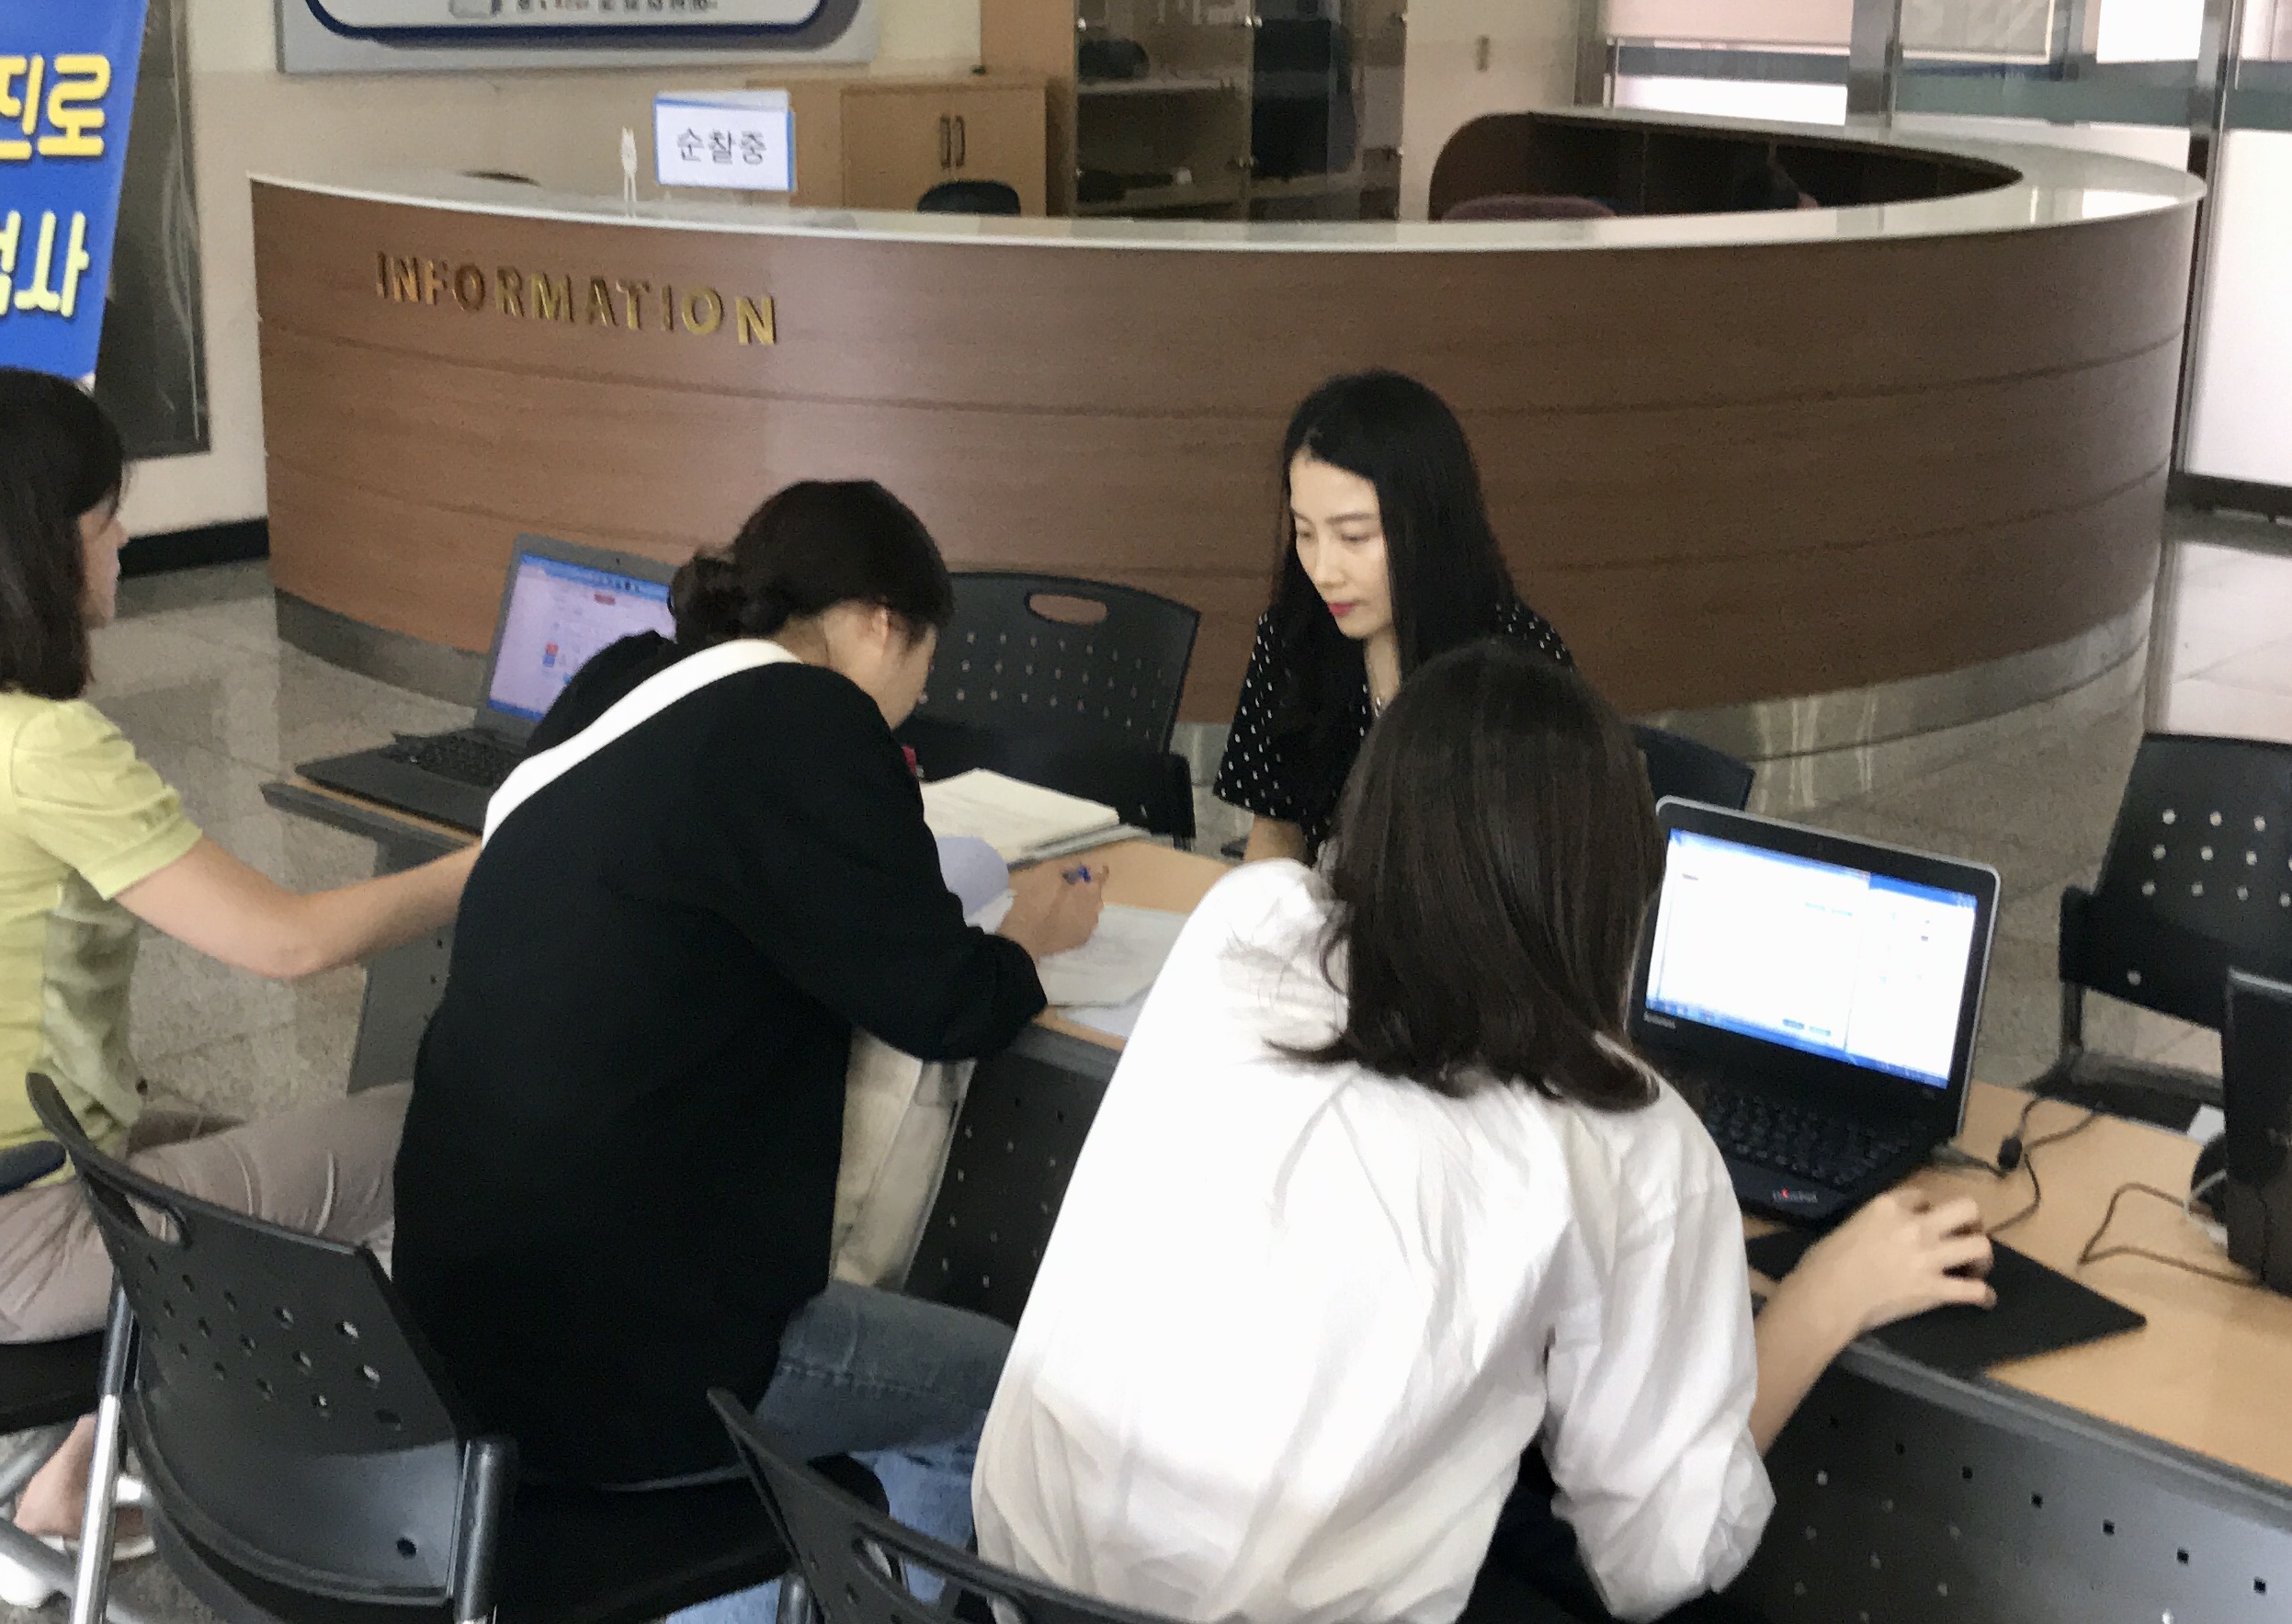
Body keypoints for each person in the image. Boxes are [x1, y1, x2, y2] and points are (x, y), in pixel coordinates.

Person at [974, 642, 1993, 1624]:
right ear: (1608, 892)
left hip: (1002, 1581)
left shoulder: (1248, 918)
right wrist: (1823, 1298)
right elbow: (1654, 1563)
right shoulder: (1622, 1134)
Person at [0, 368, 475, 1571]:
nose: (123, 542)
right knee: (423, 1131)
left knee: (238, 1140)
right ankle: (382, 1493)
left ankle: (70, 1478)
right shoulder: (38, 746)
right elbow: (288, 942)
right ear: (33, 550)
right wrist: (490, 858)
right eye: (103, 520)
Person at [391, 481, 1106, 1587]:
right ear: (882, 623)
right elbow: (945, 1001)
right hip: (628, 1367)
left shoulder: (620, 680)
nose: (918, 699)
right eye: (927, 664)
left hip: (452, 1319)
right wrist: (1031, 936)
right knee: (1014, 1401)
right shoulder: (811, 719)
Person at [1214, 369, 1572, 865]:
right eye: (1305, 533)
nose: (1323, 571)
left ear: (1429, 529)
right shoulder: (1292, 637)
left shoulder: (1520, 665)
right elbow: (1275, 836)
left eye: (1354, 536)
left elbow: (1541, 874)